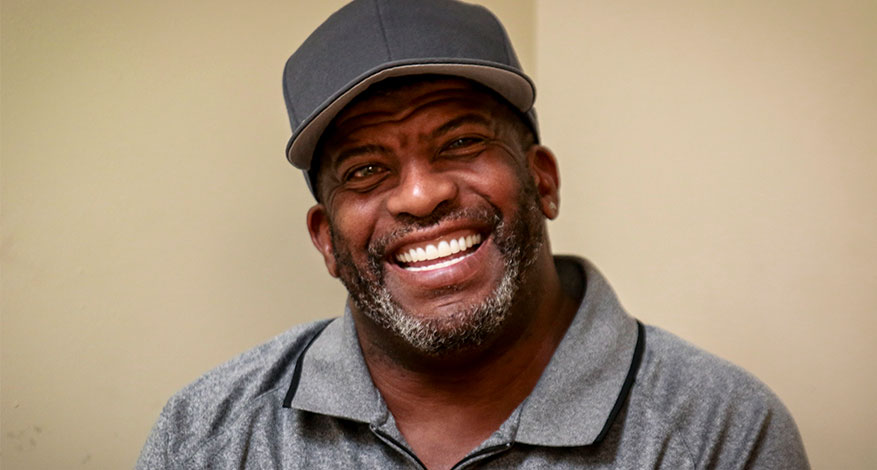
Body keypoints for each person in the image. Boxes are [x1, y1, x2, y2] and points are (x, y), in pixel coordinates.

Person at [137, 1, 809, 468]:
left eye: (460, 142)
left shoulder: (717, 427)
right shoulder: (209, 433)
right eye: (366, 169)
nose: (421, 193)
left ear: (542, 180)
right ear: (325, 241)